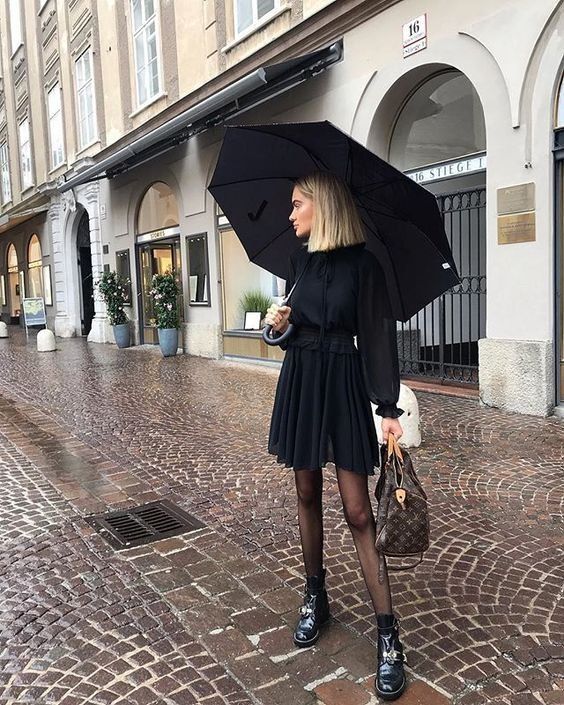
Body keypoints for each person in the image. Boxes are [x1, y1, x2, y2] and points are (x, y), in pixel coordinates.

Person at [265, 171, 407, 701]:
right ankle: (315, 596)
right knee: (305, 492)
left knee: (358, 511)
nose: (290, 214)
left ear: (321, 206)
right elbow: (287, 331)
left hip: (343, 381)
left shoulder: (363, 266)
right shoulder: (298, 262)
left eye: (297, 204)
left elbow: (377, 337)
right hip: (302, 381)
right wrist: (279, 327)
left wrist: (387, 406)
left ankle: (388, 633)